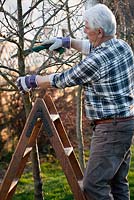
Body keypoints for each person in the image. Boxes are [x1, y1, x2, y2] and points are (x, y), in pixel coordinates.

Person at [17, 4, 134, 200]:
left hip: (110, 129)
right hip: (125, 123)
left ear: (99, 31)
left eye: (86, 27)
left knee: (93, 185)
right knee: (117, 183)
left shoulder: (96, 61)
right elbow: (93, 46)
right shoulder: (122, 46)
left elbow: (63, 78)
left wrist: (32, 81)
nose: (83, 30)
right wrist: (67, 42)